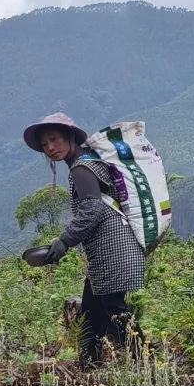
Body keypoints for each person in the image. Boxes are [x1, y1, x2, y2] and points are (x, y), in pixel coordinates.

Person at [19, 113, 147, 366]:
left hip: (113, 248)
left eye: (54, 139)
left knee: (114, 310)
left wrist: (64, 240)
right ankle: (90, 362)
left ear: (70, 137)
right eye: (45, 144)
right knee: (92, 309)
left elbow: (93, 208)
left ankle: (143, 362)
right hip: (110, 249)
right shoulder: (89, 162)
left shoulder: (81, 167)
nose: (50, 148)